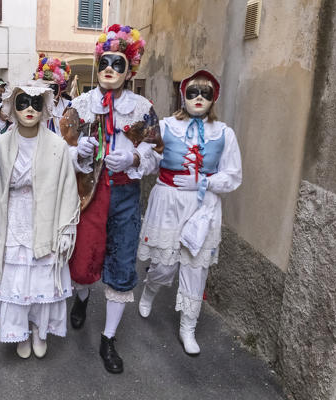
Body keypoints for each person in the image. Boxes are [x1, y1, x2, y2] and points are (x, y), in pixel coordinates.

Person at [59, 24, 162, 374]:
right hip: (88, 192)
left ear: (129, 69)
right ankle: (82, 298)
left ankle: (108, 338)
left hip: (124, 195)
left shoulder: (142, 108)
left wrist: (134, 158)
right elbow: (61, 151)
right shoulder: (79, 106)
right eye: (105, 61)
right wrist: (79, 153)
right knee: (85, 256)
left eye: (118, 64)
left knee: (120, 264)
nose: (109, 69)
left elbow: (157, 152)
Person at [136, 70, 242, 355]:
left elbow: (233, 175)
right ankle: (150, 289)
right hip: (168, 201)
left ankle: (188, 328)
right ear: (183, 95)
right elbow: (150, 158)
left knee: (196, 268)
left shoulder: (224, 133)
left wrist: (205, 181)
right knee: (164, 265)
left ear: (214, 98)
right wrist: (135, 160)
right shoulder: (167, 125)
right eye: (192, 92)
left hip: (203, 206)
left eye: (204, 93)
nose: (198, 98)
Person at [0, 83, 79, 360]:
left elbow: (69, 187)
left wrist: (67, 227)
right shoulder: (1, 143)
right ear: (12, 108)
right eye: (22, 103)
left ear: (44, 108)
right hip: (12, 220)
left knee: (41, 279)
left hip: (45, 219)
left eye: (34, 103)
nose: (29, 108)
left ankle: (38, 331)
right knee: (16, 280)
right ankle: (18, 332)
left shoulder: (58, 146)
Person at [32, 54, 72, 135]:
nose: (50, 90)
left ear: (60, 87)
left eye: (53, 87)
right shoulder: (36, 106)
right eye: (46, 86)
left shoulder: (69, 105)